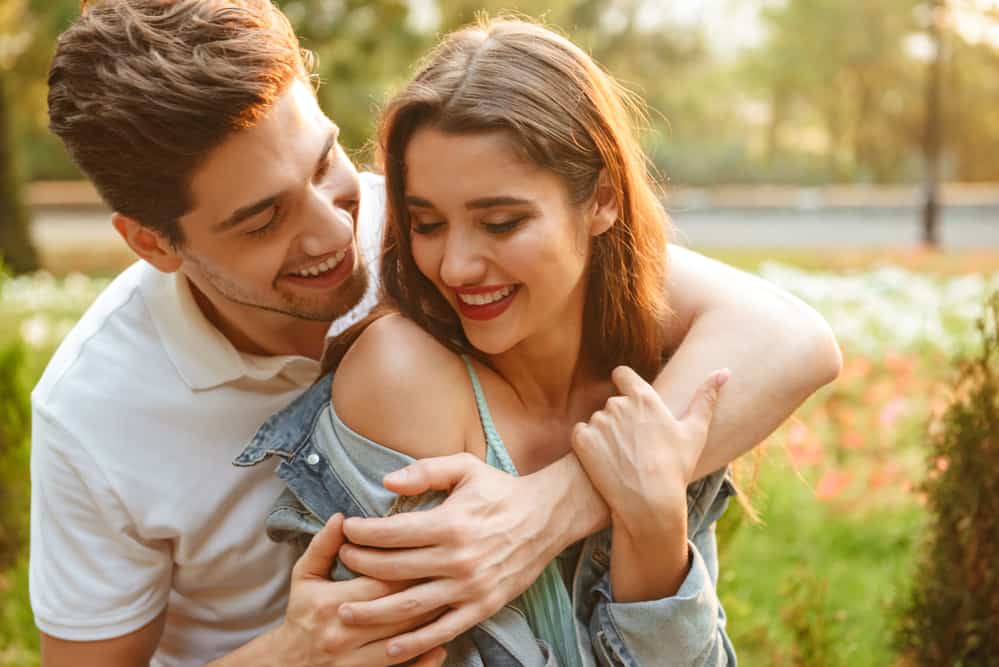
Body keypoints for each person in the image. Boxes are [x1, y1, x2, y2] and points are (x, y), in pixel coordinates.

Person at [30, 1, 841, 666]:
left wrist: (550, 509)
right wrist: (292, 653)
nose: (332, 233)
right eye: (263, 219)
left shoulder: (432, 217)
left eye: (321, 164)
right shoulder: (96, 411)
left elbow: (786, 336)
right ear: (153, 242)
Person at [241, 16, 758, 666]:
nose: (455, 266)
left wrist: (654, 527)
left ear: (600, 200)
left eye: (500, 222)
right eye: (426, 222)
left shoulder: (655, 374)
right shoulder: (403, 378)